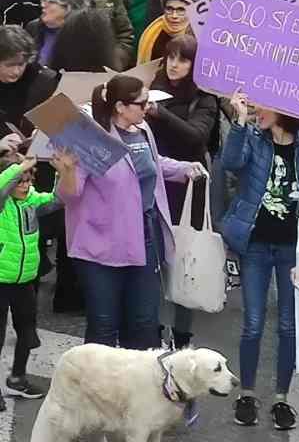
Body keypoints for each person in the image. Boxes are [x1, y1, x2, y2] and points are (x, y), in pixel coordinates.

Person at [62, 74, 206, 349]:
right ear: (120, 107)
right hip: (100, 246)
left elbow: (152, 164)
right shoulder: (92, 138)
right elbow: (69, 194)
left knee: (142, 323)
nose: (148, 108)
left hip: (143, 238)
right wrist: (67, 170)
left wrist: (183, 168)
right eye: (142, 103)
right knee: (104, 325)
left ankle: (134, 388)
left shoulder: (143, 131)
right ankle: (97, 389)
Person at [221, 88, 299, 433]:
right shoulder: (252, 137)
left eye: (260, 103)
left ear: (285, 108)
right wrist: (239, 123)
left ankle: (282, 397)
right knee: (253, 323)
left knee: (287, 326)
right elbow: (230, 163)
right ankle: (248, 394)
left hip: (292, 250)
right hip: (255, 245)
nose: (255, 108)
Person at [0, 140, 77, 401]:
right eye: (18, 181)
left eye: (28, 180)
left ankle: (17, 378)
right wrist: (20, 166)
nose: (24, 185)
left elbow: (59, 199)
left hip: (25, 281)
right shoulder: (2, 206)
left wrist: (62, 171)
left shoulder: (32, 200)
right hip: (1, 281)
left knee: (27, 331)